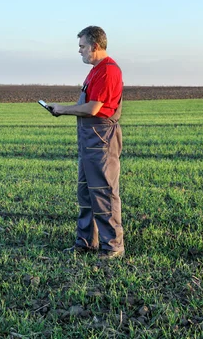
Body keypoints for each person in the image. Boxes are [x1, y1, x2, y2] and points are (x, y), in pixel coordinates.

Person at [49, 26, 124, 260]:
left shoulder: (108, 71)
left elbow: (94, 108)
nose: (79, 51)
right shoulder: (95, 70)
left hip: (101, 139)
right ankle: (85, 242)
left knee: (103, 192)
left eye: (82, 46)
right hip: (88, 139)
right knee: (86, 194)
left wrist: (63, 109)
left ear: (95, 46)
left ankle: (112, 246)